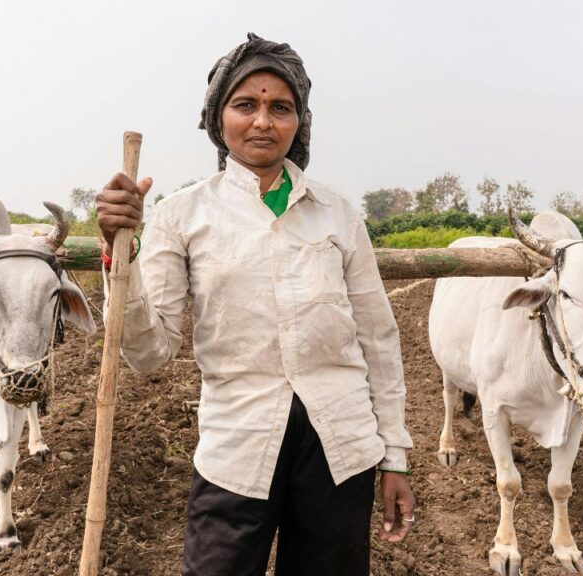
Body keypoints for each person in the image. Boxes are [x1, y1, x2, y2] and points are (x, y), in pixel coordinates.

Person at [95, 33, 415, 576]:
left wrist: (394, 458)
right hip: (237, 448)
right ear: (219, 119)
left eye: (280, 108)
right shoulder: (182, 215)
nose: (262, 121)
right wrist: (116, 251)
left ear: (299, 121)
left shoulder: (336, 213)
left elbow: (378, 338)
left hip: (342, 448)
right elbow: (149, 353)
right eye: (246, 105)